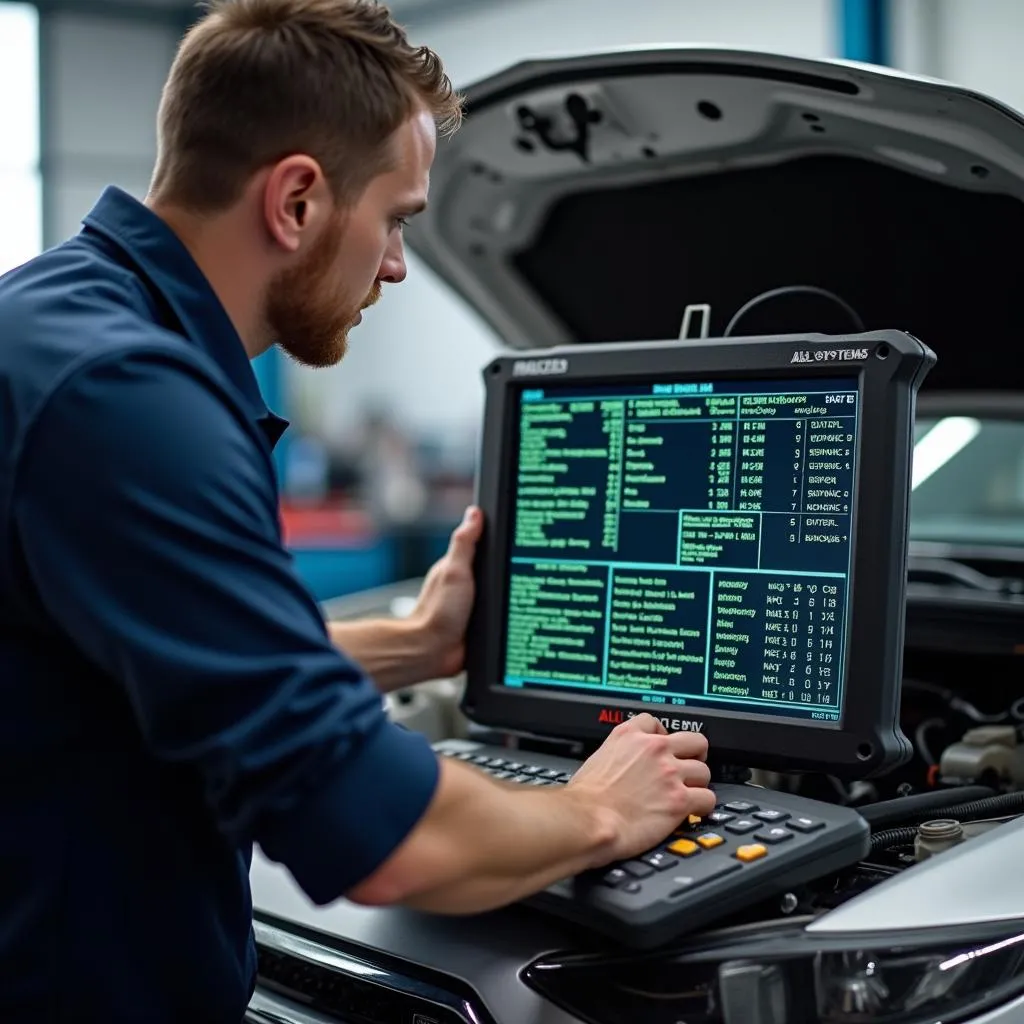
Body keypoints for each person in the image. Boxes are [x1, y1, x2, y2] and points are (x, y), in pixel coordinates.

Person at [0, 1, 716, 1020]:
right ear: (296, 200)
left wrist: (417, 642)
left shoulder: (55, 322)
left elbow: (154, 655)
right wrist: (596, 810)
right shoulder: (126, 398)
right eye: (396, 218)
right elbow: (387, 838)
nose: (393, 264)